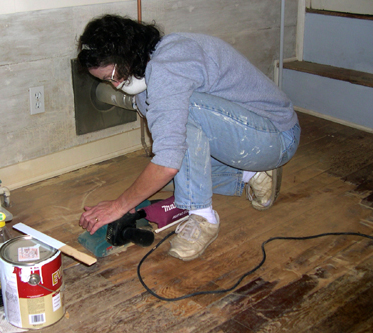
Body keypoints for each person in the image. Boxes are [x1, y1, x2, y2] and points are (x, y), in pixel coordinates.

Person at [77, 14, 300, 261]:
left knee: (182, 128)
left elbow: (167, 162)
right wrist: (132, 199)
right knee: (180, 181)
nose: (116, 85)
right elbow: (171, 158)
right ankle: (249, 174)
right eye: (107, 81)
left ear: (126, 52)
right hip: (247, 139)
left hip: (276, 136)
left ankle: (203, 217)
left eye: (114, 75)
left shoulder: (169, 65)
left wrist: (119, 206)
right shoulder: (148, 78)